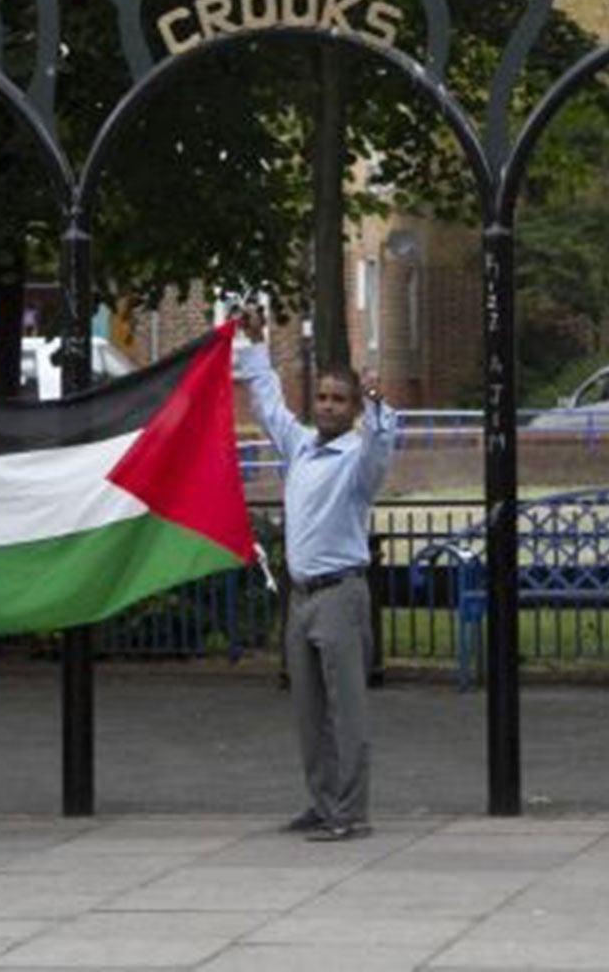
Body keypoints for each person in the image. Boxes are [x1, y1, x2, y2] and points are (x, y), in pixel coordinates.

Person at [232, 304, 394, 843]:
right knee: (308, 711)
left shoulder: (356, 462)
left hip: (340, 594)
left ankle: (351, 812)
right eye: (322, 397)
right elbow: (269, 405)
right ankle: (322, 803)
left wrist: (375, 405)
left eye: (338, 399)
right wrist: (255, 345)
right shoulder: (301, 446)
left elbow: (380, 447)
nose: (327, 406)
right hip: (301, 597)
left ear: (351, 409)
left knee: (346, 711)